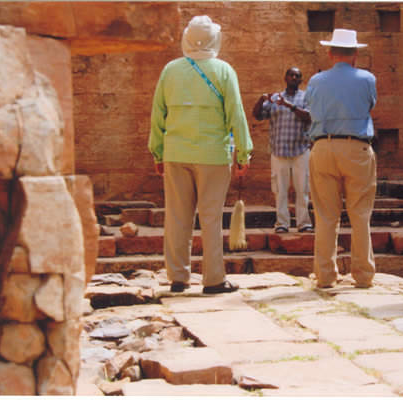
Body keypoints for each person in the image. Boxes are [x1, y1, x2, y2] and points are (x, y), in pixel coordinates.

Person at [148, 15, 253, 294]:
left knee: (177, 216)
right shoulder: (223, 71)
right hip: (213, 156)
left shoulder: (170, 71)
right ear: (213, 39)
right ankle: (214, 279)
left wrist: (157, 152)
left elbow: (158, 114)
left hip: (176, 153)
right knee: (211, 217)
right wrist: (243, 153)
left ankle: (178, 277)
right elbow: (236, 114)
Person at [305, 29, 377, 289]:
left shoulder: (316, 80)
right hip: (356, 146)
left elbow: (310, 108)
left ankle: (325, 275)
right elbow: (369, 105)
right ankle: (363, 275)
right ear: (355, 53)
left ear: (330, 53)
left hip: (323, 146)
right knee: (360, 214)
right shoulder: (367, 79)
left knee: (325, 215)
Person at [252, 67, 313, 234]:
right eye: (291, 75)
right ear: (285, 77)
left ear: (300, 80)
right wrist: (261, 99)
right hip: (279, 151)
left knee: (303, 189)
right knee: (280, 190)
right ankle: (282, 223)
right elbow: (257, 115)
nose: (294, 77)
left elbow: (309, 117)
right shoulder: (275, 99)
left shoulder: (306, 97)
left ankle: (304, 223)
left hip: (301, 149)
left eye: (297, 76)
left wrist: (288, 105)